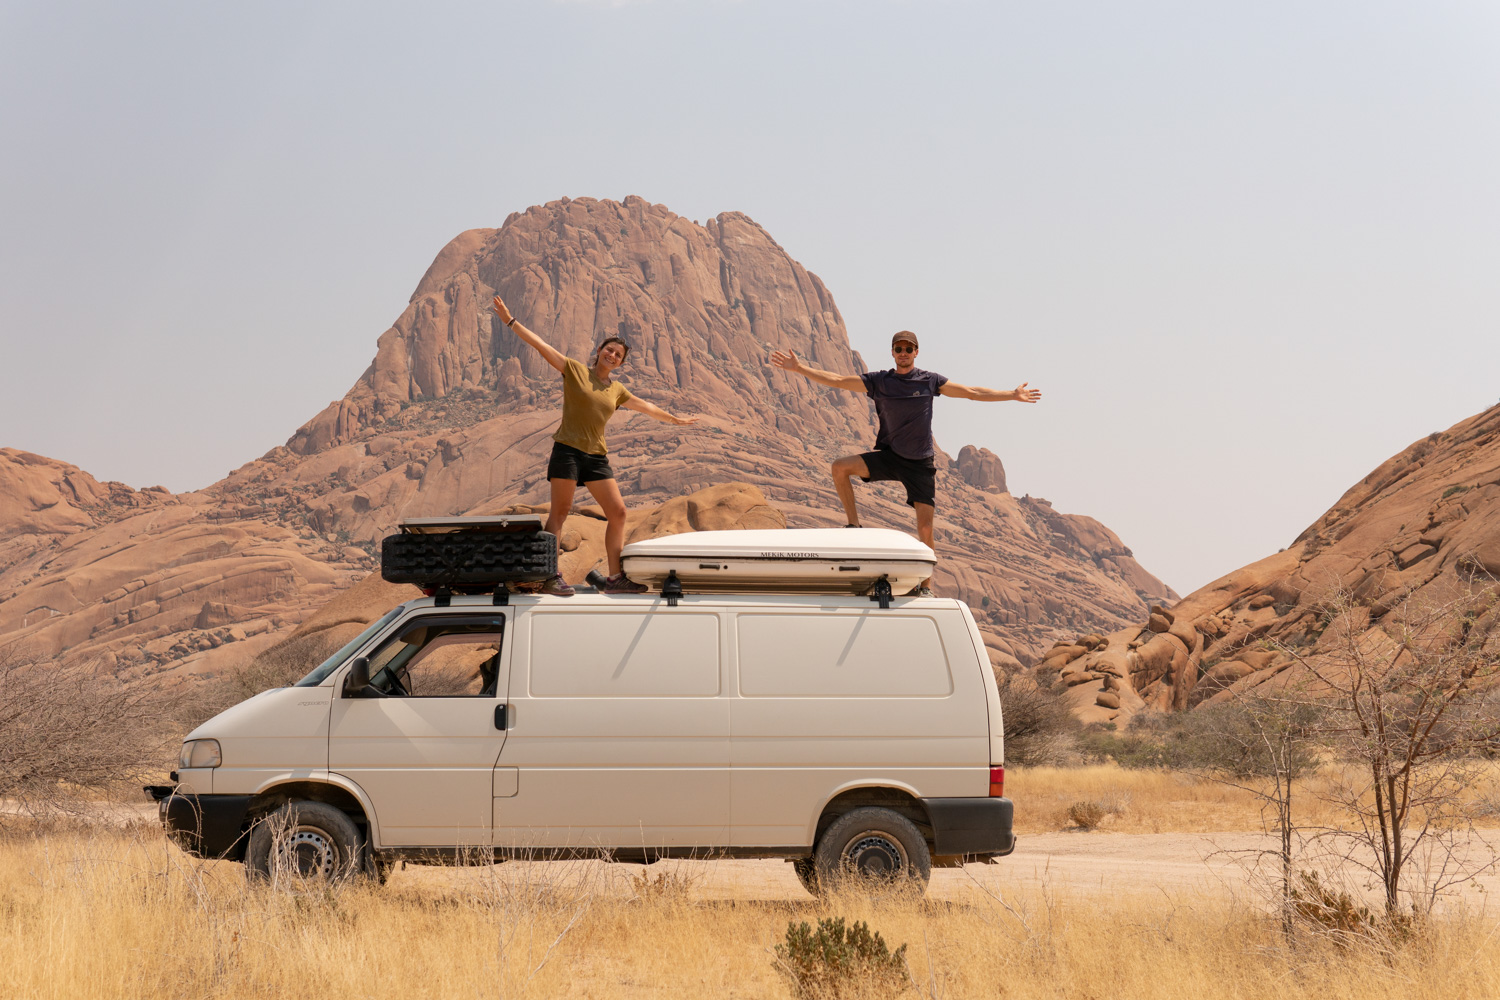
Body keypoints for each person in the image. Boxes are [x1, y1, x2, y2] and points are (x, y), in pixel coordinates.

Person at [770, 331, 1041, 595]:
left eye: (908, 349)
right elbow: (839, 380)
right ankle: (853, 525)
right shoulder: (880, 381)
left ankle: (926, 588)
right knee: (840, 467)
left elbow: (971, 392)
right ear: (892, 352)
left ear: (916, 352)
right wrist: (800, 368)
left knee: (925, 529)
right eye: (898, 349)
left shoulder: (929, 381)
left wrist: (1011, 394)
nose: (903, 353)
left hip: (920, 465)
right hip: (891, 457)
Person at [493, 295, 698, 595]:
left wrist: (674, 420)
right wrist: (510, 321)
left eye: (618, 355)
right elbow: (541, 346)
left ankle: (615, 578)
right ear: (599, 351)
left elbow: (646, 407)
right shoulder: (575, 371)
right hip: (567, 451)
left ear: (621, 363)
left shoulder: (617, 390)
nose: (612, 356)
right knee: (559, 513)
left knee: (619, 513)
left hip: (596, 457)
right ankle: (550, 576)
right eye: (609, 350)